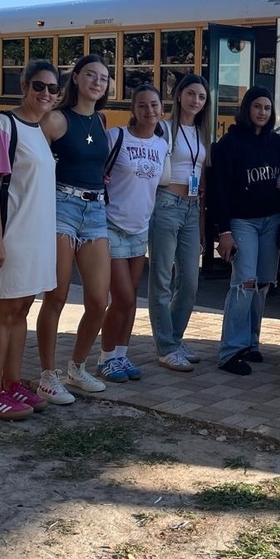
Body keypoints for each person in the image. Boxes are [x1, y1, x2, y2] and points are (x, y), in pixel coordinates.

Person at [0, 59, 58, 420]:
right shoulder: (2, 126)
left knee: (21, 311)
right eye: (39, 86)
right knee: (3, 313)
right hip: (12, 236)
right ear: (24, 86)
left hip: (35, 237)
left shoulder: (39, 130)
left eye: (53, 89)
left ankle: (12, 382)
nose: (45, 94)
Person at [36, 54, 112, 404]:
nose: (98, 82)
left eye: (104, 77)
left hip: (96, 210)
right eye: (91, 75)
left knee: (99, 301)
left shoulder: (101, 120)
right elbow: (33, 163)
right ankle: (48, 376)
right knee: (58, 295)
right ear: (77, 79)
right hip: (62, 208)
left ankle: (77, 367)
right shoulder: (55, 119)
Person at [210, 86, 280, 375]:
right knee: (244, 282)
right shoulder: (229, 144)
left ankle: (251, 342)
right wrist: (223, 231)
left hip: (271, 220)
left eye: (267, 108)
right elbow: (218, 191)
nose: (262, 112)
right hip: (241, 222)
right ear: (247, 108)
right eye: (257, 106)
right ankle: (230, 351)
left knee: (262, 284)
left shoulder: (276, 144)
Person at [97, 84, 171, 383]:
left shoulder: (162, 144)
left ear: (161, 109)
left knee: (131, 299)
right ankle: (104, 358)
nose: (149, 111)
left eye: (154, 105)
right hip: (112, 225)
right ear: (133, 110)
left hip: (140, 228)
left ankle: (120, 355)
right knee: (122, 297)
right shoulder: (116, 137)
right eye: (142, 105)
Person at [149, 73, 213, 372]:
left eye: (201, 97)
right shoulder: (163, 128)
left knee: (189, 280)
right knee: (162, 279)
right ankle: (166, 347)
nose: (195, 101)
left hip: (190, 207)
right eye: (191, 94)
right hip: (166, 204)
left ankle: (174, 338)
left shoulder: (202, 132)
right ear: (178, 95)